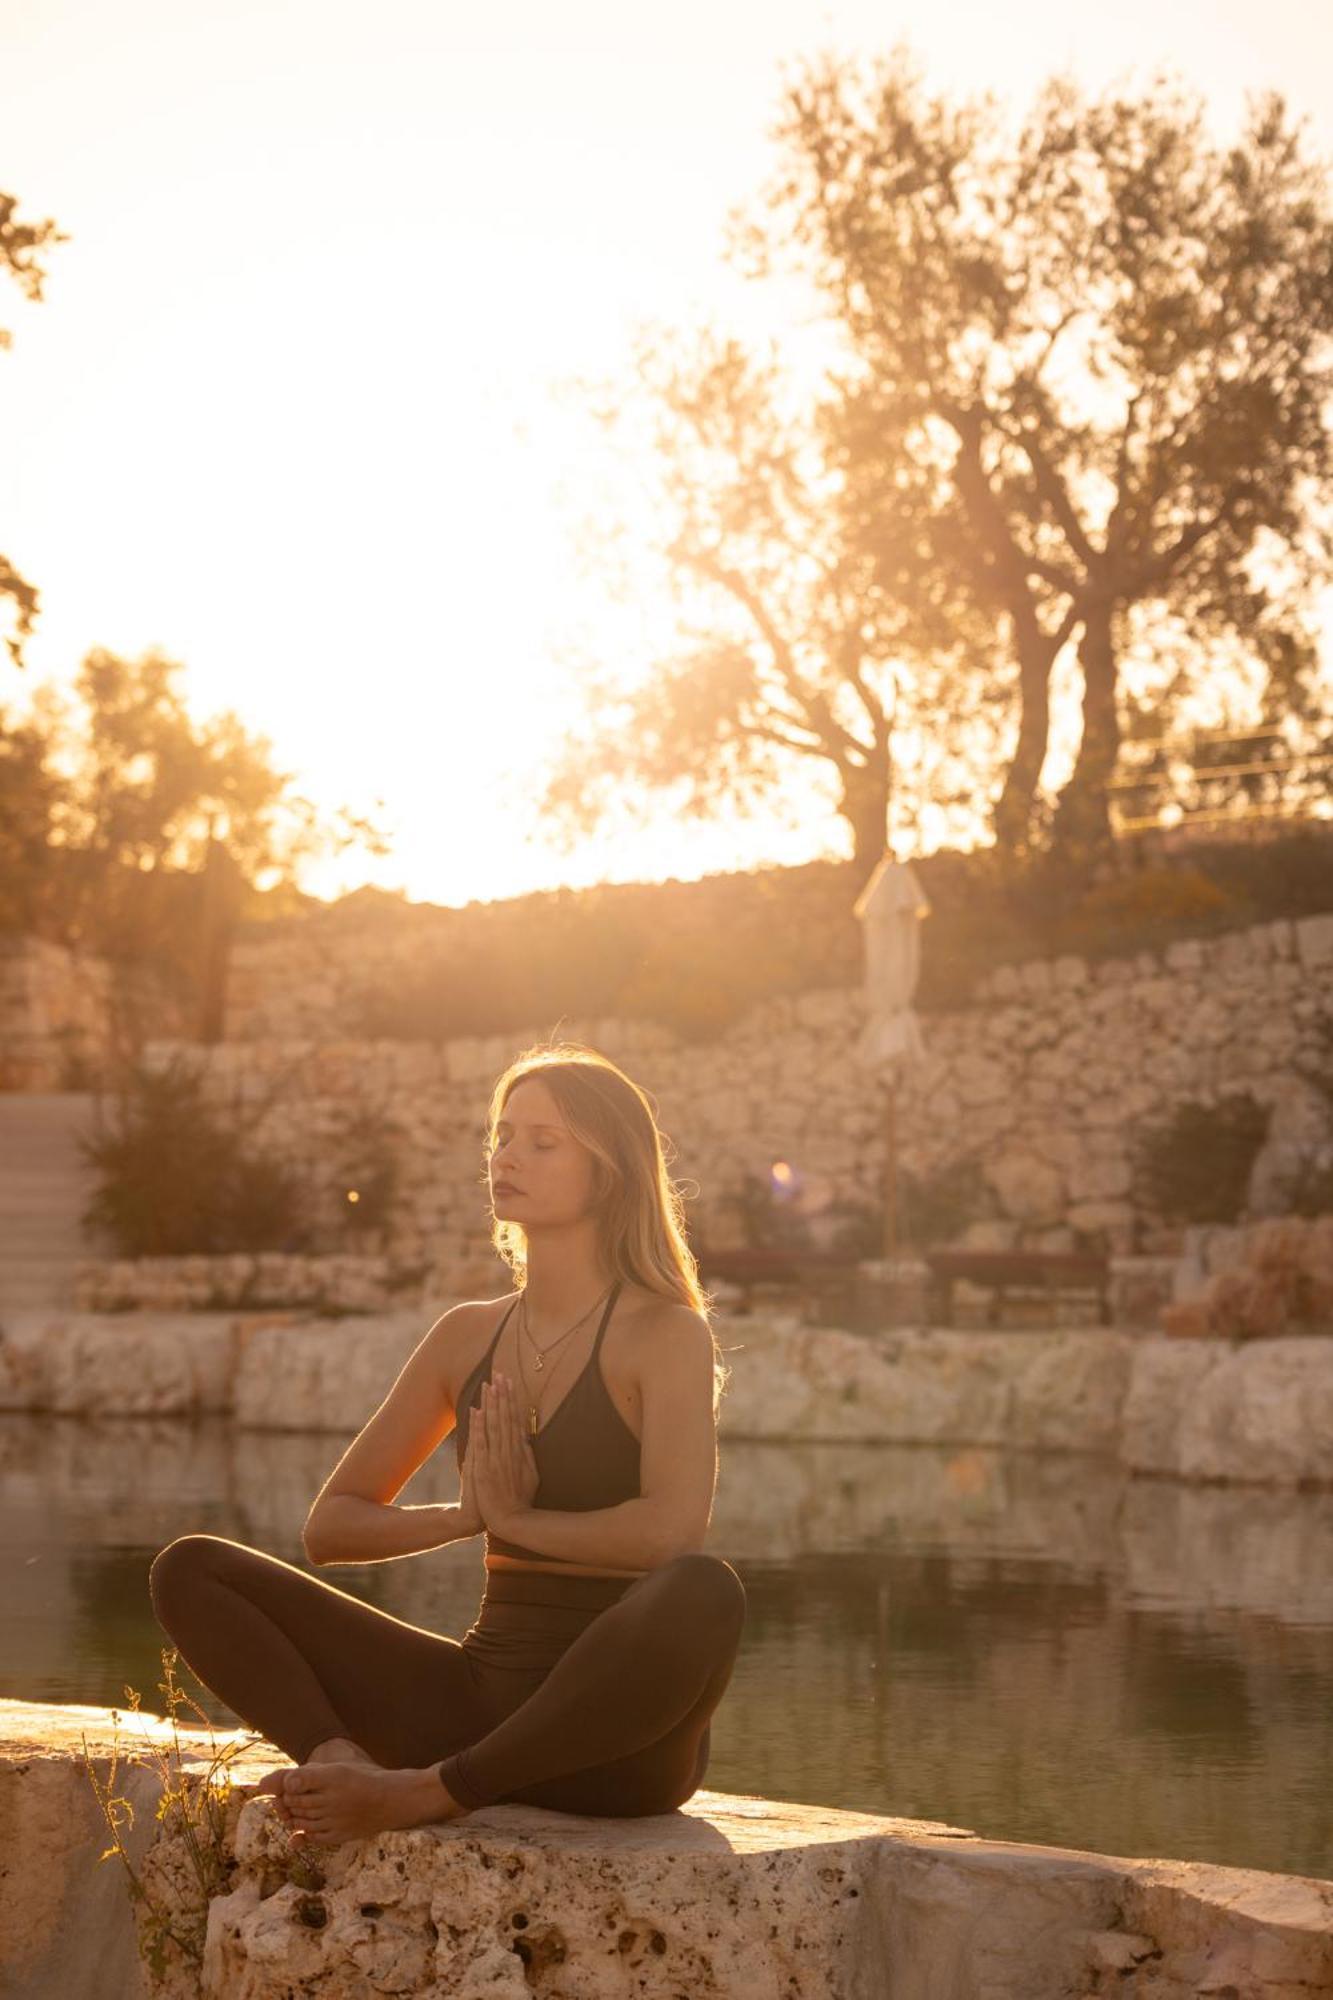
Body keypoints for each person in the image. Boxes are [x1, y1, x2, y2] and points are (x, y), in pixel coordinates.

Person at [148, 1042, 747, 1845]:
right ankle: (345, 1766)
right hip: (475, 1707)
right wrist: (465, 1518)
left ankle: (427, 1796)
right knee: (192, 1568)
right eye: (502, 1135)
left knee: (704, 1589)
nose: (507, 1156)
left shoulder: (665, 1333)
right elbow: (331, 1529)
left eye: (543, 1142)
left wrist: (517, 1520)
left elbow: (671, 1535)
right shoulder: (463, 1337)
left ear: (608, 1171)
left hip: (617, 1750)